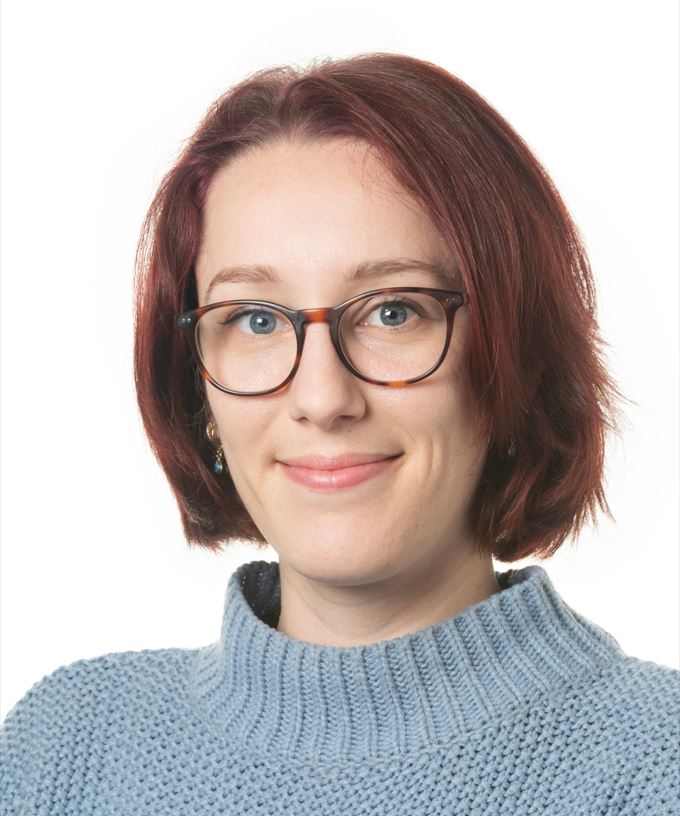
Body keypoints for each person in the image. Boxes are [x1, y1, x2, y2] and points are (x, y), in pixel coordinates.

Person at [1, 52, 678, 814]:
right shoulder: (65, 752)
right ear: (198, 391)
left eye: (393, 311)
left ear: (512, 358)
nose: (322, 399)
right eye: (255, 320)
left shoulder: (657, 767)